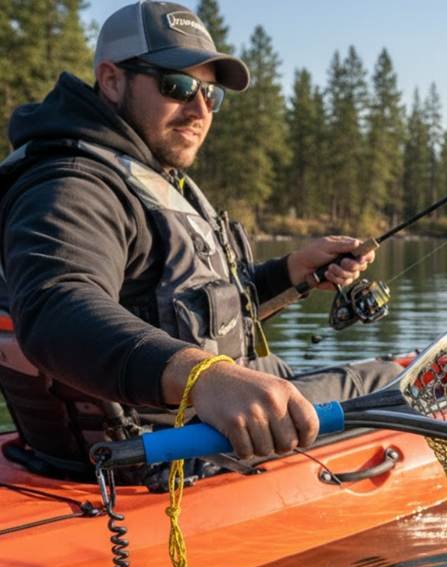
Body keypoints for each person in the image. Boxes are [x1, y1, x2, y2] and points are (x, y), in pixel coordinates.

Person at [0, 1, 399, 480]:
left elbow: (182, 307)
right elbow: (56, 307)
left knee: (374, 374)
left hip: (209, 409)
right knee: (395, 382)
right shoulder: (73, 186)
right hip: (170, 450)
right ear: (111, 80)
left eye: (211, 94)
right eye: (178, 85)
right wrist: (202, 376)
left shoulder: (141, 174)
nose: (199, 108)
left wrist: (292, 272)